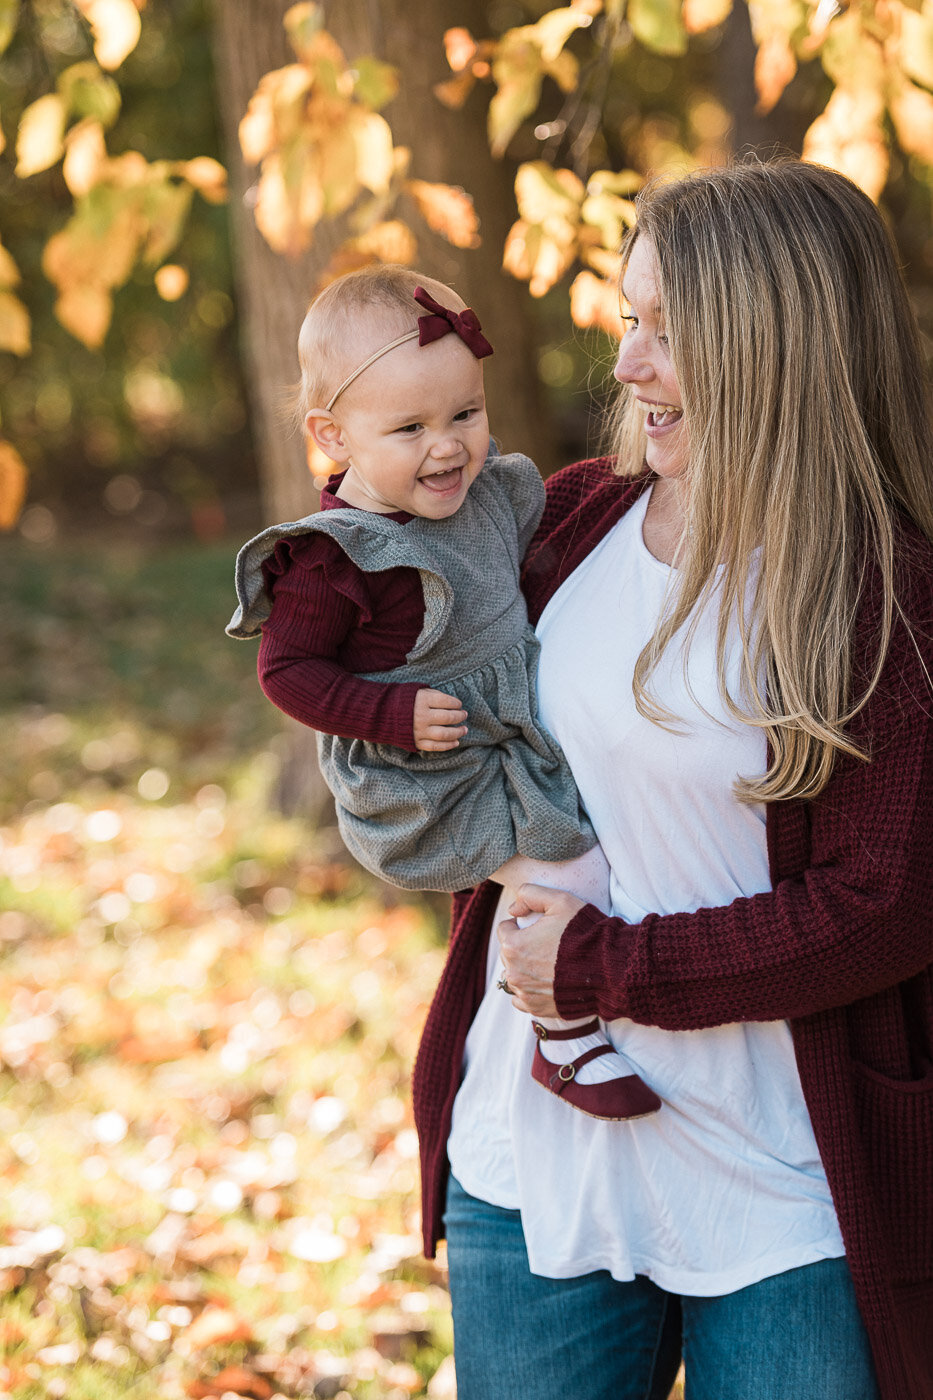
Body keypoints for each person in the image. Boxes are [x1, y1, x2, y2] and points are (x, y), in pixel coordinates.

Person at [412, 158, 933, 1400]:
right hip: (537, 1156)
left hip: (786, 1183)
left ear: (772, 341)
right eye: (628, 321)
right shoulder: (569, 521)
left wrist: (605, 964)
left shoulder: (878, 591)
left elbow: (884, 905)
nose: (629, 363)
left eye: (666, 330)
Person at [227, 265, 661, 1123]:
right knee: (567, 864)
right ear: (334, 436)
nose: (448, 446)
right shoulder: (335, 557)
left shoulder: (478, 497)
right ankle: (561, 1036)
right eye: (410, 427)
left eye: (465, 413)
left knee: (596, 846)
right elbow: (286, 673)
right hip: (424, 772)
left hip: (497, 738)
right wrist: (388, 714)